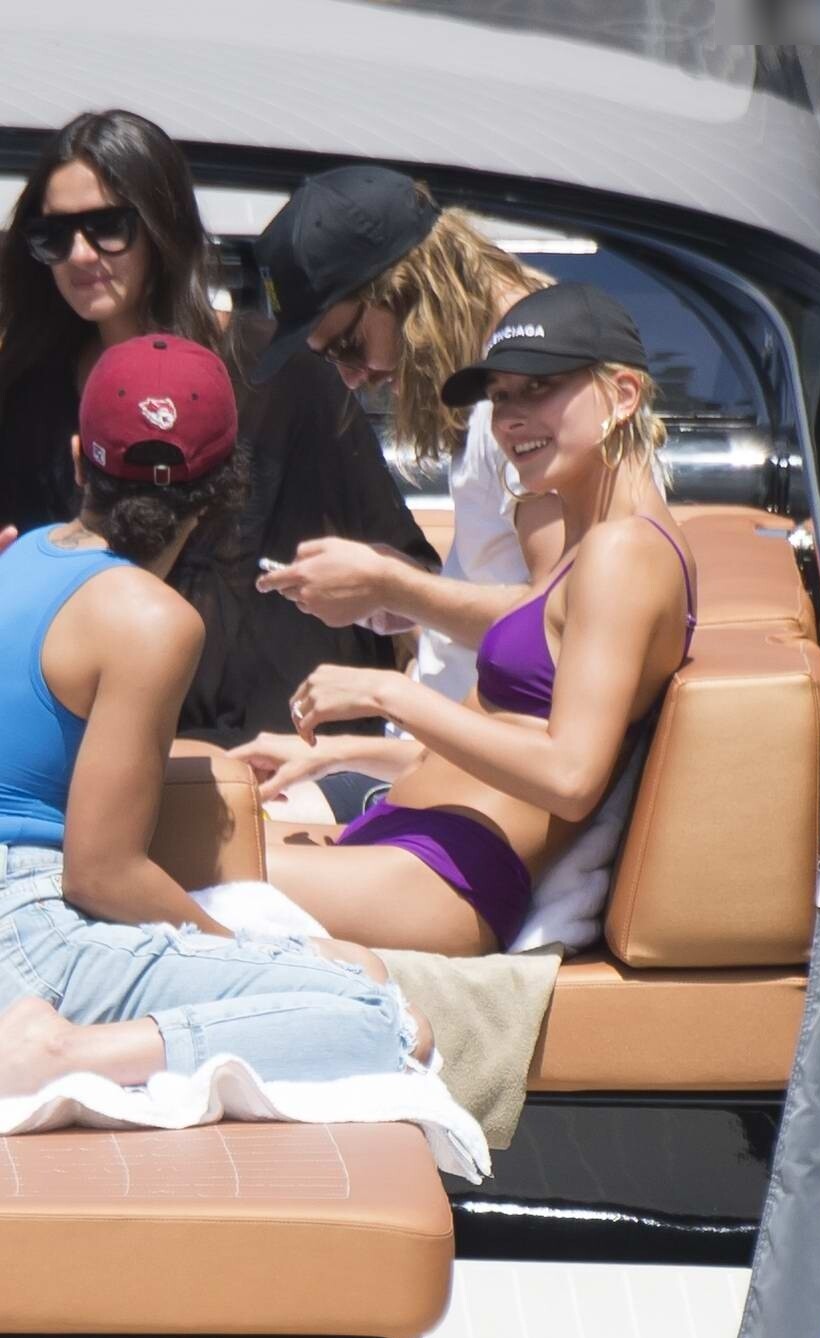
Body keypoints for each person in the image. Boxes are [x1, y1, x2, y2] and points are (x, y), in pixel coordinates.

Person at [0, 333, 429, 1099]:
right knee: (383, 1016)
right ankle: (59, 1058)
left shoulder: (24, 554)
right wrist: (236, 952)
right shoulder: (152, 619)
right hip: (29, 937)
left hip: (25, 925)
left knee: (353, 967)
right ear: (226, 489)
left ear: (78, 462)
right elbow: (101, 874)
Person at [243, 283, 696, 958]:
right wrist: (338, 753)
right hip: (413, 843)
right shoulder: (587, 544)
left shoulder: (624, 551)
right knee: (172, 823)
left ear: (624, 394)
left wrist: (388, 694)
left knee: (145, 859)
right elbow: (512, 740)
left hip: (444, 878)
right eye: (501, 396)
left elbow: (570, 779)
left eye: (539, 388)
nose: (510, 418)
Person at [0, 110, 438, 745]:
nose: (80, 254)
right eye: (52, 235)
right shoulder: (26, 394)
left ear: (161, 225)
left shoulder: (280, 374)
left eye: (108, 227)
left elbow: (404, 584)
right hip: (104, 749)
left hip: (287, 755)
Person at [234, 165, 564, 819]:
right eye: (332, 358)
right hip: (437, 768)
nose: (352, 378)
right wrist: (402, 595)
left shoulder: (527, 407)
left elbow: (561, 625)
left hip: (478, 799)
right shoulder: (499, 394)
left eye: (349, 345)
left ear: (405, 285)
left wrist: (395, 589)